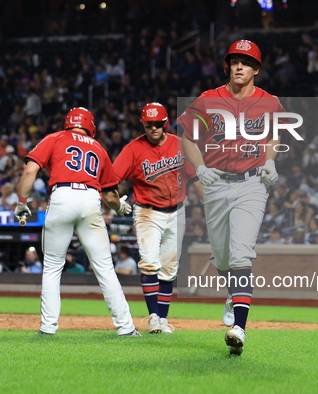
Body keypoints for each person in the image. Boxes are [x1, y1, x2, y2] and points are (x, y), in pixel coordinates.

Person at [179, 40, 285, 355]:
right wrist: (199, 169)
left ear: (256, 69)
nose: (239, 66)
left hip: (252, 185)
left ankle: (239, 327)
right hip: (215, 184)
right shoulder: (209, 100)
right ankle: (232, 293)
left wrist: (270, 160)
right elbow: (188, 138)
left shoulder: (269, 102)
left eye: (246, 62)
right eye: (235, 61)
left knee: (241, 254)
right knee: (223, 258)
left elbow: (274, 134)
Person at [13, 107, 140, 336]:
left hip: (62, 197)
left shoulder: (55, 138)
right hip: (91, 199)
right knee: (105, 268)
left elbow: (30, 171)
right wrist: (119, 206)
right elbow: (110, 196)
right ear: (90, 125)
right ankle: (126, 328)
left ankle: (48, 328)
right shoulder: (99, 148)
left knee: (52, 267)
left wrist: (22, 201)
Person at [113, 102, 200, 334]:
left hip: (177, 211)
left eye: (157, 124)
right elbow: (113, 178)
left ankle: (162, 319)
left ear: (165, 124)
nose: (153, 129)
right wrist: (114, 199)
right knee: (150, 263)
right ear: (144, 125)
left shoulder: (181, 145)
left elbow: (195, 177)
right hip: (147, 212)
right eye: (148, 124)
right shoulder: (133, 149)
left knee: (170, 269)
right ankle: (153, 318)